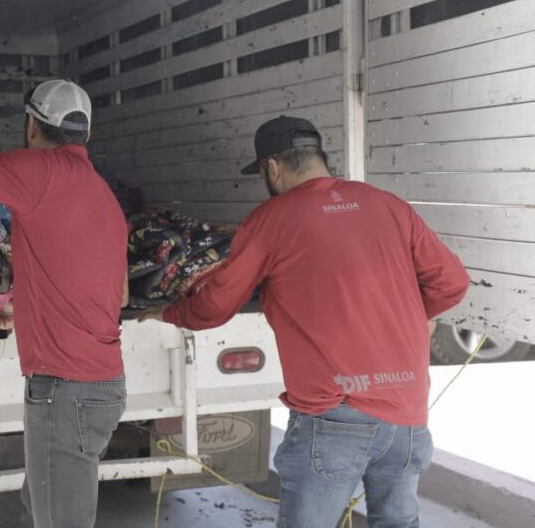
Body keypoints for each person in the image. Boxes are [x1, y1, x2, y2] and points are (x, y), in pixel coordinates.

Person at [139, 115, 471, 528]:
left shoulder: (273, 219)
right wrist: (404, 317)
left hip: (335, 415)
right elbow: (453, 283)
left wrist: (169, 313)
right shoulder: (389, 206)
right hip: (406, 413)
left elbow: (215, 307)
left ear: (272, 167)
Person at [0, 80, 129, 528]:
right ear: (86, 134)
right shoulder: (103, 195)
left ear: (32, 126)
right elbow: (118, 293)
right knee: (40, 513)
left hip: (65, 390)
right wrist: (31, 307)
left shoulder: (40, 170)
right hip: (102, 385)